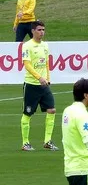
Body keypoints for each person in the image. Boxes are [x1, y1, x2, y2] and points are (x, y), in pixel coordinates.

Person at [20, 20, 58, 152]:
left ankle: (47, 141)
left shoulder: (45, 46)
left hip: (44, 85)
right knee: (28, 113)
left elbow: (47, 63)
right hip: (31, 85)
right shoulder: (27, 46)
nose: (42, 32)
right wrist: (39, 77)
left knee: (52, 110)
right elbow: (27, 65)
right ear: (33, 31)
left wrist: (47, 78)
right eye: (39, 30)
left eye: (43, 30)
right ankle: (25, 143)